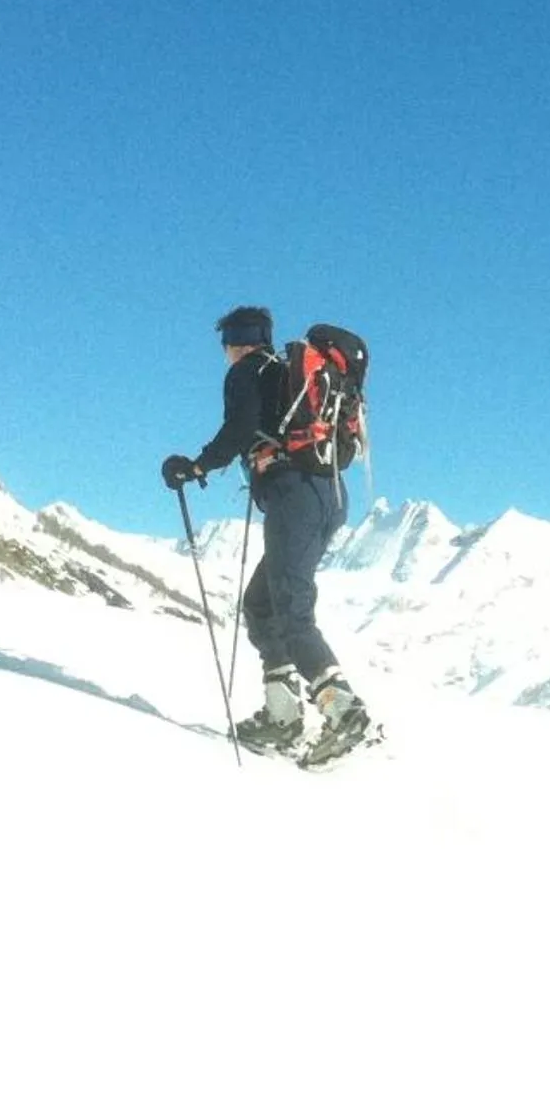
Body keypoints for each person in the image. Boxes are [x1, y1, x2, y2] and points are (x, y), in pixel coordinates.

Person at [161, 305, 369, 763]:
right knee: (261, 603)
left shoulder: (248, 372)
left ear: (235, 342)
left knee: (293, 610)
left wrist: (196, 466)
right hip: (327, 494)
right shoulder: (285, 375)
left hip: (296, 494)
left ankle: (346, 713)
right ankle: (284, 716)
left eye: (227, 343)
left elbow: (238, 429)